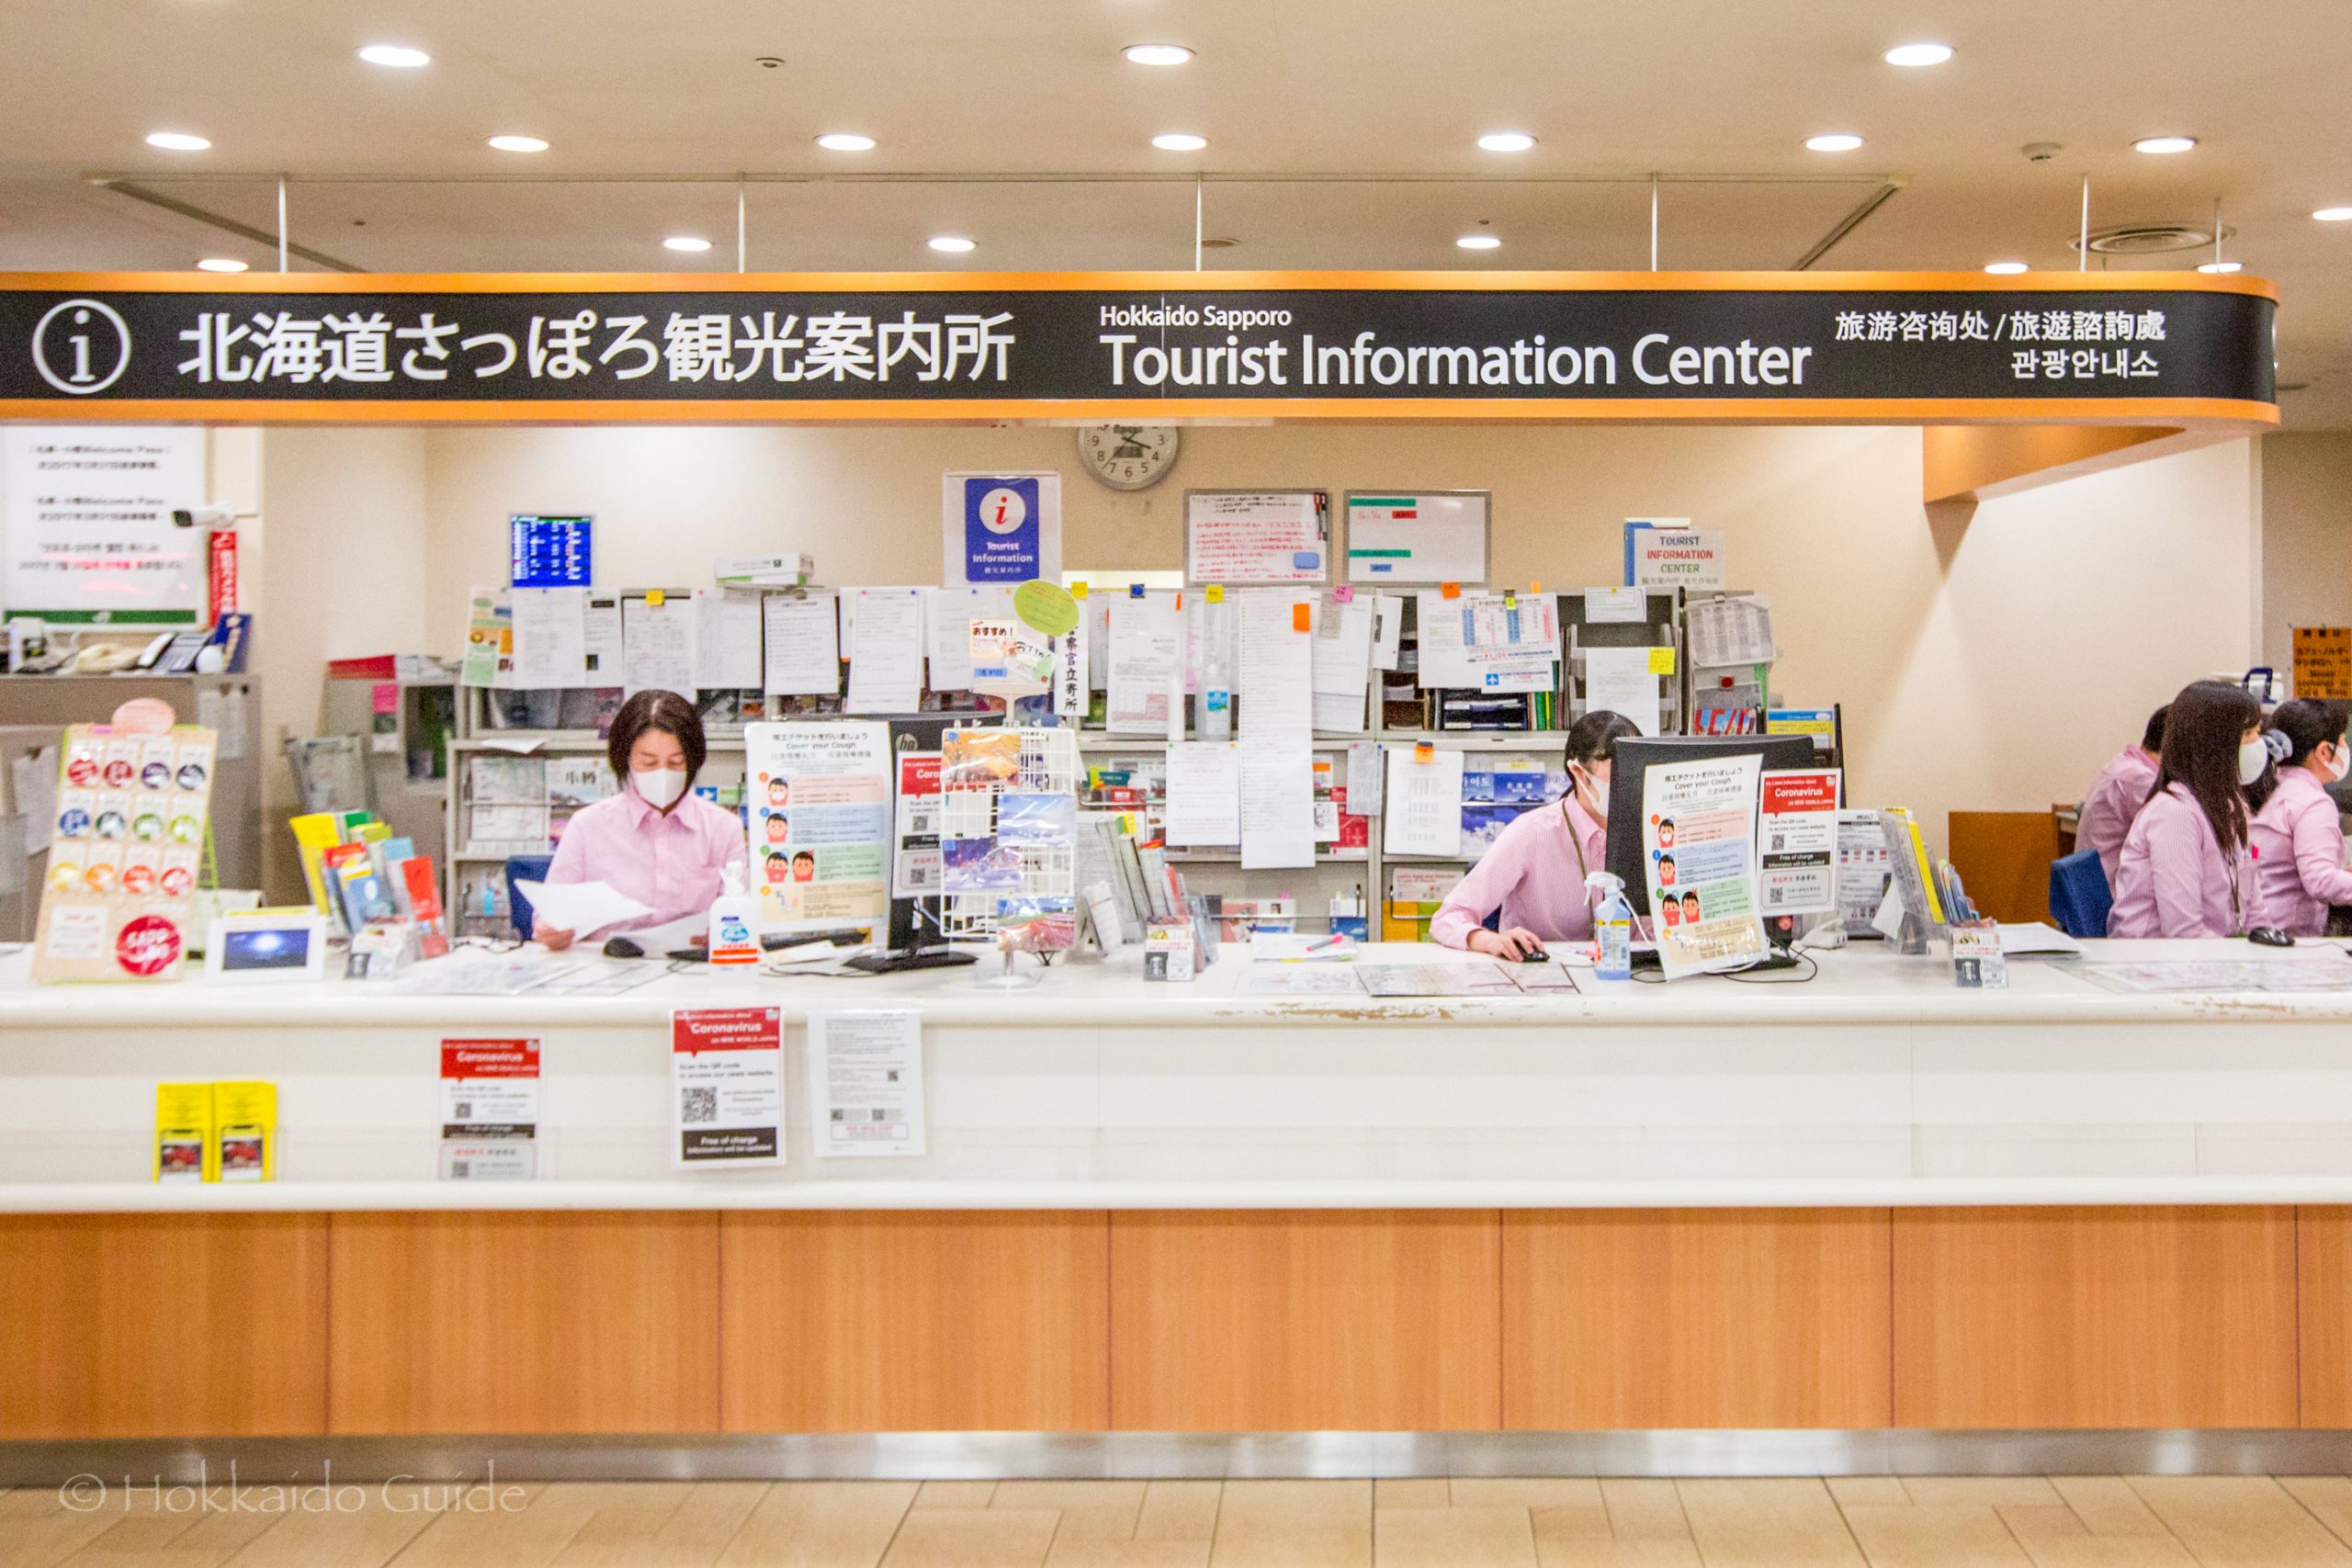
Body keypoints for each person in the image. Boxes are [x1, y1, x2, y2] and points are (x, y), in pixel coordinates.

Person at [537, 689, 744, 949]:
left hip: (693, 967)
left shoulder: (723, 828)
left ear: (693, 761)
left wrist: (726, 932)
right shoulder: (588, 826)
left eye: (676, 762)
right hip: (606, 967)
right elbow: (550, 916)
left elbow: (743, 917)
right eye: (648, 763)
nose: (663, 774)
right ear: (625, 759)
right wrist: (552, 932)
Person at [1432, 709, 1642, 957]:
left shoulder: (1653, 829)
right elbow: (1449, 916)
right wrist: (1490, 941)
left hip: (1635, 974)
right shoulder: (1532, 833)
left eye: (1634, 776)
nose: (1626, 786)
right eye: (1615, 777)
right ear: (1578, 772)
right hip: (1544, 974)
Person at [2109, 682, 2271, 939]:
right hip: (2158, 957)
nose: (2258, 744)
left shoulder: (2231, 806)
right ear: (2214, 743)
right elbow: (2183, 931)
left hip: (2215, 951)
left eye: (2258, 733)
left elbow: (2254, 914)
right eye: (2248, 734)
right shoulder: (2174, 814)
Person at [2250, 698, 2352, 937]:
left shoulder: (2269, 786)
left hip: (2260, 929)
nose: (2346, 746)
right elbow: (2321, 881)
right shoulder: (2312, 802)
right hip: (2287, 937)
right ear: (2324, 751)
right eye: (2342, 740)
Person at [2076, 705, 2166, 885]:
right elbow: (2170, 837)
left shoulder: (2124, 764)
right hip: (2112, 890)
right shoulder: (2140, 779)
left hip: (2094, 884)